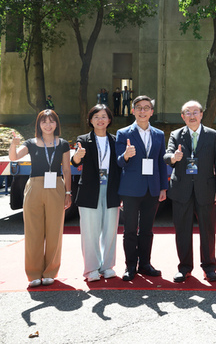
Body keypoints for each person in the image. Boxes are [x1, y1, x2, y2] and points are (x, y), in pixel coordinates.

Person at [9, 110, 71, 287]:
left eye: (52, 121)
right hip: (34, 186)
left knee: (54, 231)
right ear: (39, 124)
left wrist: (68, 193)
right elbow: (14, 157)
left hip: (56, 186)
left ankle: (50, 271)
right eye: (44, 121)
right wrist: (13, 144)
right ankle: (33, 273)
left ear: (57, 124)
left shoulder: (63, 144)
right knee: (33, 231)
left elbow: (67, 170)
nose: (48, 125)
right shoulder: (30, 143)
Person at [164, 100, 216, 283]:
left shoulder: (212, 135)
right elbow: (167, 155)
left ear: (201, 114)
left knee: (208, 231)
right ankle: (184, 268)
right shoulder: (176, 135)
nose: (192, 116)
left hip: (206, 189)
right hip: (181, 190)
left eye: (195, 112)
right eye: (188, 113)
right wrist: (173, 158)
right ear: (183, 116)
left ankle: (209, 267)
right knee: (182, 231)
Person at [115, 95, 168, 281]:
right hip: (131, 189)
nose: (143, 111)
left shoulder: (159, 134)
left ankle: (145, 264)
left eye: (147, 107)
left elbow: (161, 162)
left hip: (152, 189)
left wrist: (163, 187)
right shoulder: (123, 133)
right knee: (130, 229)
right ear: (133, 111)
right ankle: (130, 266)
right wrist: (126, 155)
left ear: (152, 112)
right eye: (139, 107)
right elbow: (118, 162)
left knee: (147, 229)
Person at [71, 105, 121, 282]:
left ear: (109, 120)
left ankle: (107, 266)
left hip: (111, 189)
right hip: (90, 190)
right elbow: (75, 162)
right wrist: (78, 155)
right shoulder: (83, 140)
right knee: (90, 231)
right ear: (90, 120)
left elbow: (120, 166)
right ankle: (91, 268)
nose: (100, 120)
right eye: (96, 116)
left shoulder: (115, 140)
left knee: (110, 230)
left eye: (104, 116)